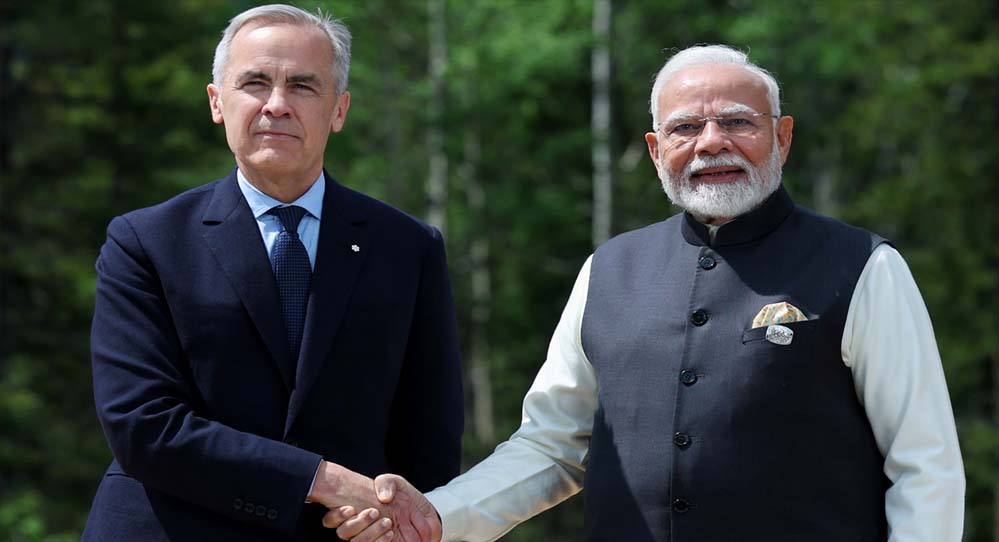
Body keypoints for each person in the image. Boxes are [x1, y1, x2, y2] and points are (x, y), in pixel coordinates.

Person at [329, 44, 966, 542]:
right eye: (687, 127)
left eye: (737, 122)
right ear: (657, 150)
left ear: (783, 137)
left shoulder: (865, 267)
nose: (712, 141)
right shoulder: (607, 270)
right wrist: (438, 515)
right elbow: (552, 447)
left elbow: (924, 466)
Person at [82, 5, 462, 541]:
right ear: (217, 102)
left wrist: (399, 521)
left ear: (339, 109)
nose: (277, 104)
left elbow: (429, 439)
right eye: (255, 82)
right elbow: (141, 424)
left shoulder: (409, 247)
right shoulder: (146, 242)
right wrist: (320, 480)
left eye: (303, 86)